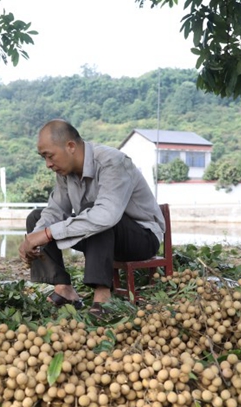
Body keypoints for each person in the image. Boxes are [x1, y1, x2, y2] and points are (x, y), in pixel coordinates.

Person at [18, 120, 165, 317]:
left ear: (70, 146)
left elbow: (106, 215)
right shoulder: (65, 173)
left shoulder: (112, 162)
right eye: (44, 158)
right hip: (101, 237)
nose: (48, 164)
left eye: (50, 156)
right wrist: (34, 237)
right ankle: (64, 288)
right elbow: (55, 210)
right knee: (36, 217)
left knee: (95, 214)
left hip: (141, 238)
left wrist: (47, 233)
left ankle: (102, 294)